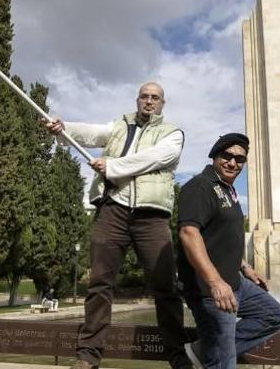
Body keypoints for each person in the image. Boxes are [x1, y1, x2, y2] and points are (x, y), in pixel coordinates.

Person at [46, 82, 190, 369]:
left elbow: (154, 159)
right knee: (99, 284)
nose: (149, 101)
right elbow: (93, 132)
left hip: (151, 216)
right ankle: (88, 355)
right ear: (138, 100)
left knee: (166, 287)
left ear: (163, 103)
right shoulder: (120, 125)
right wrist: (65, 129)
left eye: (155, 97)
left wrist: (113, 166)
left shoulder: (173, 134)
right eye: (144, 96)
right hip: (112, 210)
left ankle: (177, 356)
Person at [177, 133, 280, 368]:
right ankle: (215, 353)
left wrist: (246, 267)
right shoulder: (200, 186)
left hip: (236, 283)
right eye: (227, 156)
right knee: (224, 365)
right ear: (215, 156)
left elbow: (225, 238)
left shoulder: (228, 190)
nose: (233, 163)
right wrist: (216, 282)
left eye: (240, 159)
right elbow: (189, 234)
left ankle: (206, 349)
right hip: (210, 290)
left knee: (274, 316)